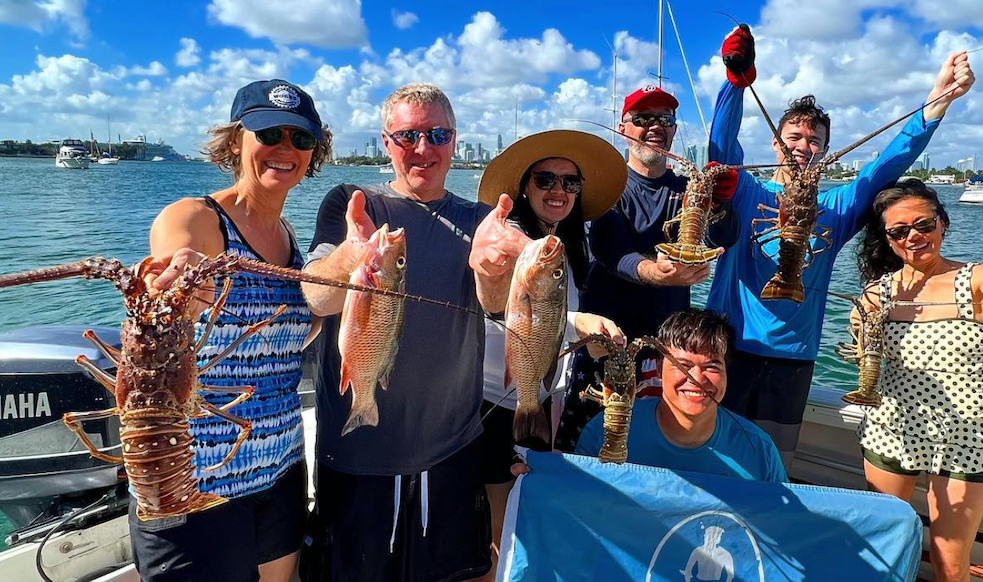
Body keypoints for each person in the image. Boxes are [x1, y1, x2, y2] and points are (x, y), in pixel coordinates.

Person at [706, 25, 975, 469]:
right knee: (715, 453)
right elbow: (721, 152)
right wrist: (735, 84)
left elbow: (884, 165)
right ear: (776, 143)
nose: (803, 146)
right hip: (728, 345)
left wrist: (937, 101)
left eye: (814, 141)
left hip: (794, 358)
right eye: (794, 137)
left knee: (774, 463)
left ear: (826, 151)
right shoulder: (748, 190)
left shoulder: (835, 206)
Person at [300, 83, 523, 582]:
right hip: (357, 455)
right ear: (386, 142)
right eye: (408, 137)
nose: (423, 149)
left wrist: (493, 269)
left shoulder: (480, 218)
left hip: (451, 448)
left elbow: (494, 306)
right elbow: (317, 298)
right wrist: (349, 260)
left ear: (454, 140)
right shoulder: (350, 203)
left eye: (437, 134)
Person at [135, 79, 332, 582]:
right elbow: (175, 257)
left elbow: (285, 339)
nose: (286, 148)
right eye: (269, 132)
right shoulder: (198, 218)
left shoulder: (292, 240)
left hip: (283, 468)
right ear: (234, 140)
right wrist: (179, 283)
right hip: (194, 479)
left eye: (301, 138)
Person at [852, 180, 983, 582]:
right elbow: (865, 363)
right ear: (888, 239)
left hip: (963, 433)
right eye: (899, 231)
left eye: (924, 224)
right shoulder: (877, 294)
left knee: (951, 562)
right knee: (880, 544)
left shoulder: (975, 279)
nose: (913, 236)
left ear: (942, 224)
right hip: (892, 428)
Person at [474, 129, 627, 580]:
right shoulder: (512, 240)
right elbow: (496, 291)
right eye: (546, 179)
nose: (558, 191)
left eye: (570, 183)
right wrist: (578, 322)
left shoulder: (567, 247)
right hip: (491, 400)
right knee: (498, 526)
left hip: (540, 395)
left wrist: (591, 338)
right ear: (524, 186)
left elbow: (556, 325)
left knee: (523, 516)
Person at [553, 85, 740, 452]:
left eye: (664, 119)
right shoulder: (607, 188)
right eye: (642, 119)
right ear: (623, 129)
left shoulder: (686, 188)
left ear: (673, 129)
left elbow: (726, 235)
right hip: (607, 342)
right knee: (587, 443)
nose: (655, 126)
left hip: (667, 348)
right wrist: (653, 272)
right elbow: (610, 249)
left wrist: (719, 203)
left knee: (656, 447)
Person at [574, 308, 787, 483]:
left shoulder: (760, 449)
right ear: (658, 369)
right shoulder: (598, 432)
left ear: (727, 371)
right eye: (682, 365)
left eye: (712, 367)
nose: (697, 379)